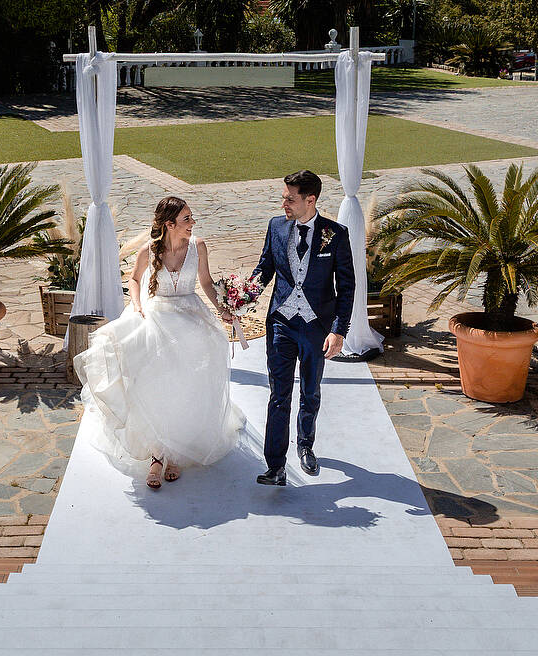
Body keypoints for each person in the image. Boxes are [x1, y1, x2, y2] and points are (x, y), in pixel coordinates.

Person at [73, 196, 246, 489]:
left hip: (191, 316)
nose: (192, 224)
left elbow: (205, 282)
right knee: (156, 384)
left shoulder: (198, 247)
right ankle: (157, 454)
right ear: (170, 224)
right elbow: (135, 279)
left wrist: (223, 308)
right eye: (187, 219)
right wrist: (137, 304)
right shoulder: (149, 250)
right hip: (157, 315)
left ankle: (177, 451)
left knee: (188, 383)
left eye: (191, 218)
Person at [251, 170, 354, 486]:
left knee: (310, 391)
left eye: (290, 198)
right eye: (284, 196)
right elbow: (265, 268)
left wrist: (338, 330)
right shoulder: (276, 227)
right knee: (279, 394)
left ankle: (305, 445)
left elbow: (347, 286)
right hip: (282, 322)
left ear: (311, 200)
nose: (284, 203)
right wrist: (241, 296)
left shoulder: (335, 234)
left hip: (315, 327)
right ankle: (276, 465)